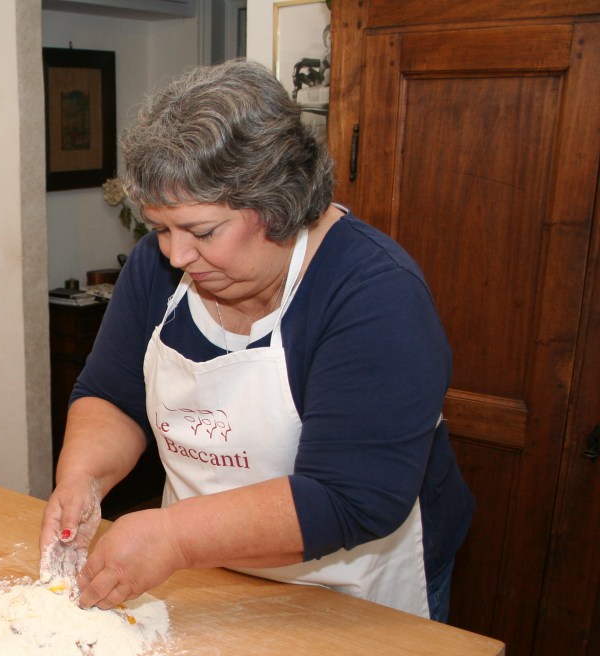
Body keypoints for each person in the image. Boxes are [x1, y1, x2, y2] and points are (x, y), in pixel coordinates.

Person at [39, 60, 472, 622]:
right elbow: (112, 396)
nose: (175, 255)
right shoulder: (158, 271)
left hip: (354, 588)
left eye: (201, 232)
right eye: (160, 229)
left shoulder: (375, 293)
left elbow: (349, 497)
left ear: (279, 204)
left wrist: (174, 536)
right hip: (201, 574)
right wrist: (83, 478)